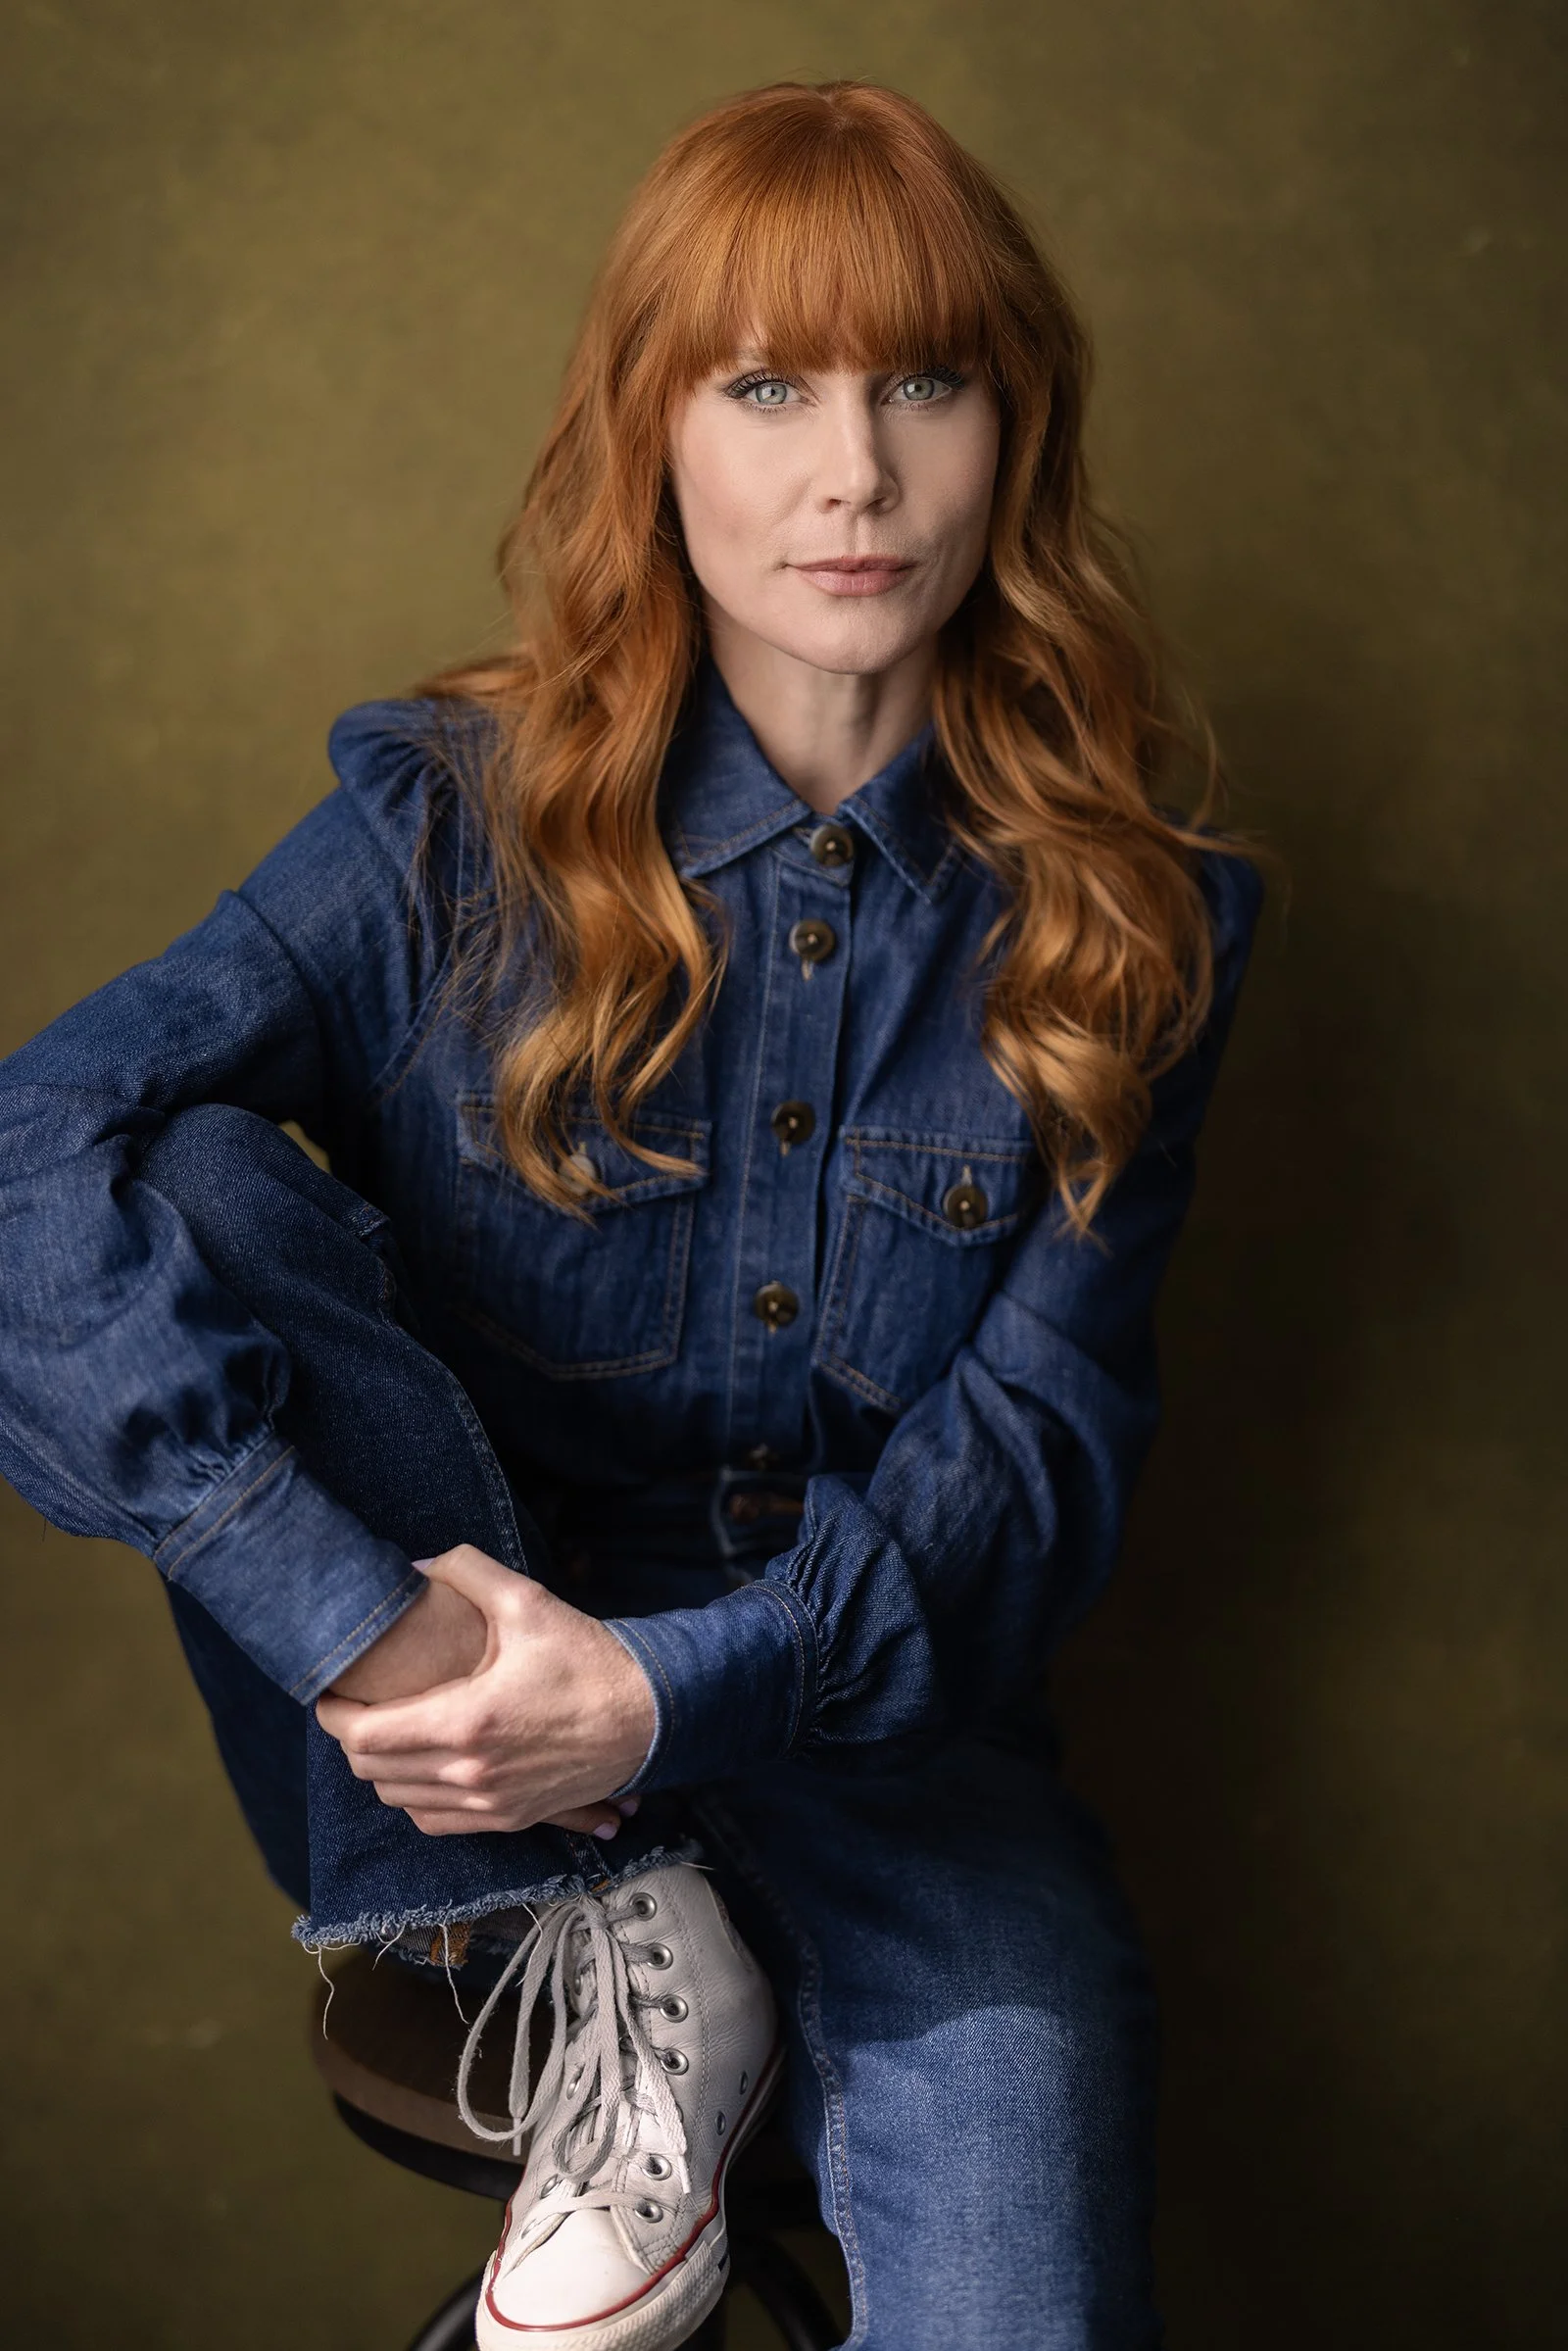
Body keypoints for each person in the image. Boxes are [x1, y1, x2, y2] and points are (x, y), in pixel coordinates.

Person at [0, 78, 1261, 2351]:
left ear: (1016, 424)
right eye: (763, 385)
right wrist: (378, 1640)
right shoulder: (439, 834)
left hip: (887, 1733)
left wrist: (666, 1696)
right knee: (164, 1159)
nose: (851, 472)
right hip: (462, 1760)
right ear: (648, 433)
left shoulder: (1128, 925)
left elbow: (1028, 1471)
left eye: (922, 381)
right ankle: (603, 1940)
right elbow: (26, 1146)